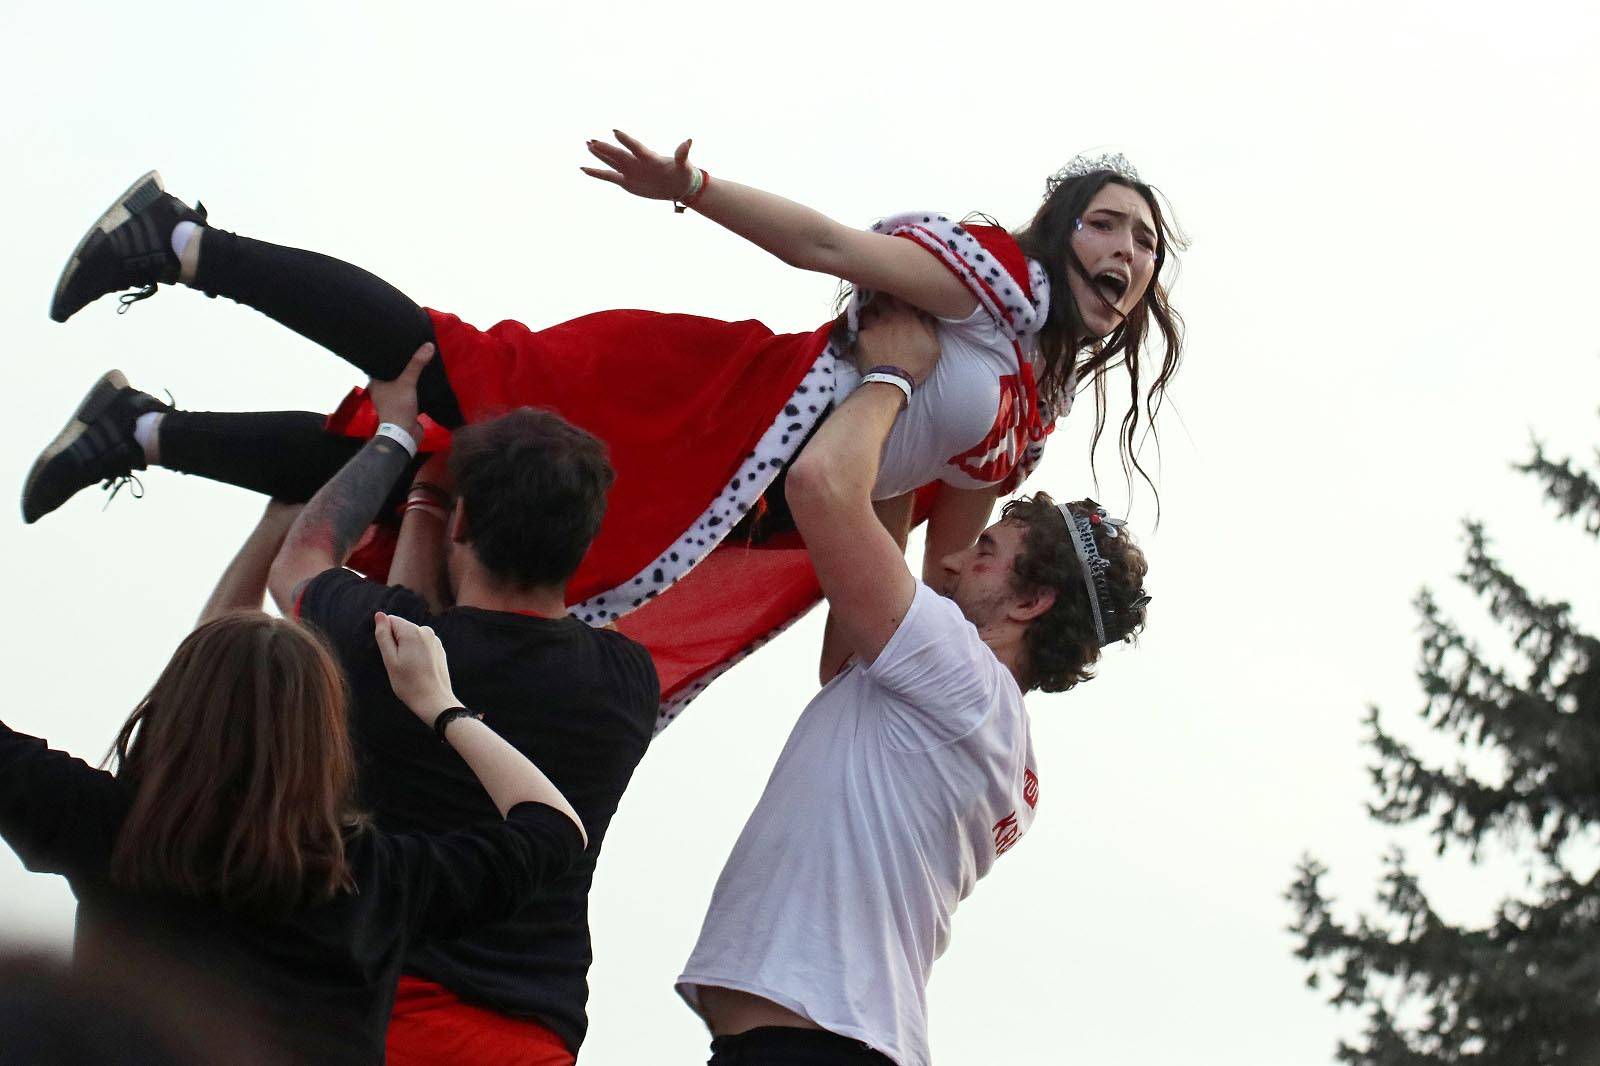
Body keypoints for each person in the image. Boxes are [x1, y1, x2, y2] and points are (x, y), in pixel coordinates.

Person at [27, 135, 1181, 724]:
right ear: (1060, 230)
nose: (1124, 251)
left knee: (445, 470)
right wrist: (695, 189)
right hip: (709, 404)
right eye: (1107, 224)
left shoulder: (1026, 418)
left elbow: (927, 563)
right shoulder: (989, 287)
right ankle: (180, 242)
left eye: (1142, 244)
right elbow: (828, 248)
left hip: (726, 506)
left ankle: (142, 429)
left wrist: (977, 687)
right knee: (453, 374)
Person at [674, 304, 1152, 1066]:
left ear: (1031, 603)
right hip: (825, 1040)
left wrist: (894, 375)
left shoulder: (960, 675)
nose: (953, 562)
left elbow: (822, 485)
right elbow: (845, 656)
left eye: (985, 552)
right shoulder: (984, 722)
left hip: (814, 1046)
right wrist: (916, 448)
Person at [255, 346, 659, 1065]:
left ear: (464, 521)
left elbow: (299, 562)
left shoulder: (382, 648)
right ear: (583, 542)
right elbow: (451, 627)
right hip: (530, 1037)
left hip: (375, 1016)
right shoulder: (628, 680)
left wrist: (397, 436)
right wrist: (436, 510)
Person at [0, 606, 588, 1066]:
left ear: (171, 712)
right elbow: (554, 826)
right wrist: (439, 703)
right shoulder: (378, 879)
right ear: (325, 741)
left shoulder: (108, 825)